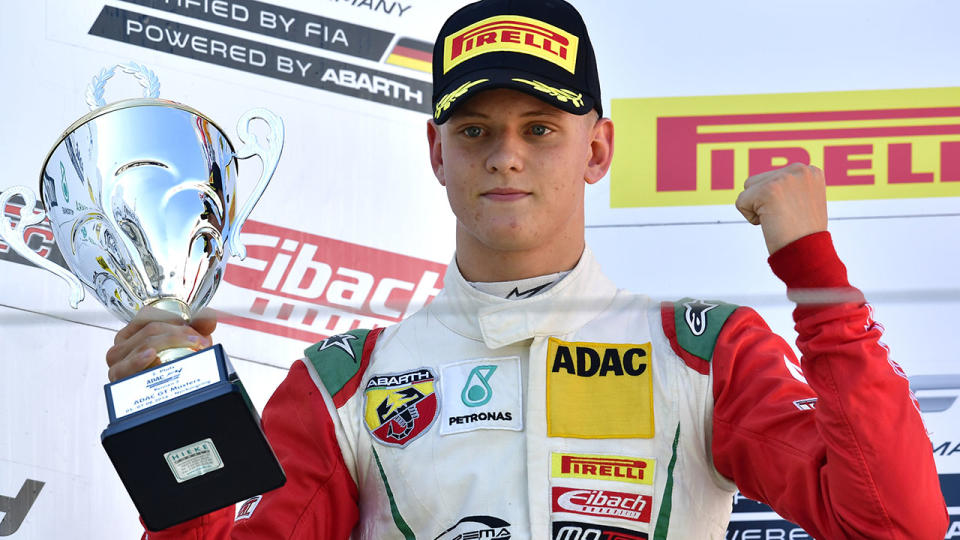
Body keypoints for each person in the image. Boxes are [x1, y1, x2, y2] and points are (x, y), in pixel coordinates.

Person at [107, 0, 949, 538]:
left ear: (598, 147)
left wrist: (815, 274)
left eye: (539, 127)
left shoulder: (702, 349)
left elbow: (894, 526)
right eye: (475, 130)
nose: (506, 156)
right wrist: (175, 422)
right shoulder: (345, 380)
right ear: (437, 151)